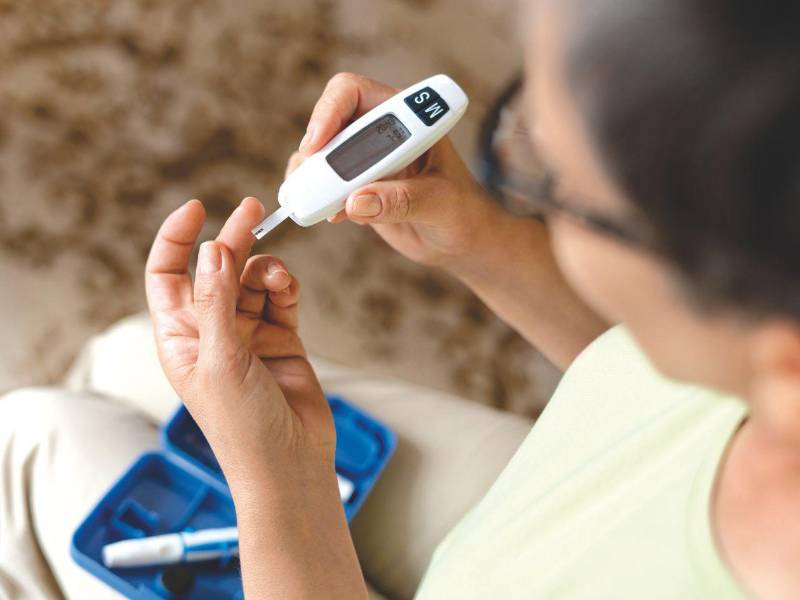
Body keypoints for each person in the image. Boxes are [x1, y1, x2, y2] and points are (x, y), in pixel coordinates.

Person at [3, 0, 800, 597]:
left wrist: (279, 481)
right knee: (131, 354)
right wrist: (479, 238)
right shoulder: (759, 326)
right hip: (565, 489)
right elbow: (642, 370)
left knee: (32, 442)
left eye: (555, 186)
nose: (533, 189)